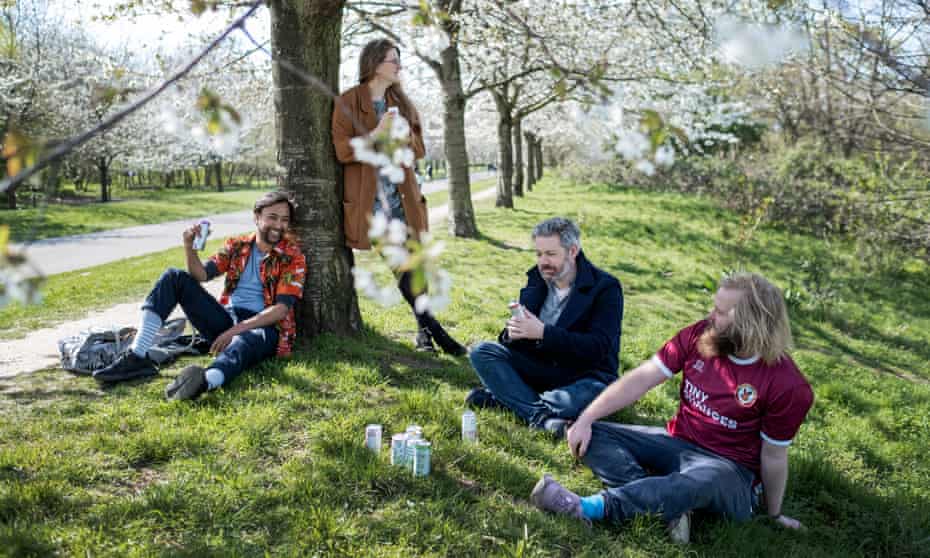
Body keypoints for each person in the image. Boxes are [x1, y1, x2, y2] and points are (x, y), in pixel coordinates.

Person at [530, 272, 814, 543]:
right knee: (593, 432)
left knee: (699, 481)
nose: (710, 316)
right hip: (677, 442)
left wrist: (773, 513)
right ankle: (667, 505)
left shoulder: (788, 386)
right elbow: (641, 378)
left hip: (730, 470)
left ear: (751, 323)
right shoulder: (698, 335)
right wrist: (587, 417)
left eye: (721, 312)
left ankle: (588, 508)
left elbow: (774, 456)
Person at [93, 191, 307, 401]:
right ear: (257, 217)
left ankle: (205, 381)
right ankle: (136, 356)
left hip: (265, 328)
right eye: (272, 217)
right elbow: (201, 275)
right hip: (228, 319)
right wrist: (189, 247)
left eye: (284, 220)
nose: (279, 225)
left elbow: (281, 309)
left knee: (243, 341)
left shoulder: (293, 257)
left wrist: (234, 331)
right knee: (174, 277)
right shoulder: (237, 246)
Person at [332, 38, 465, 356]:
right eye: (394, 60)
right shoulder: (348, 102)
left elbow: (420, 149)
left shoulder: (402, 102)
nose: (399, 66)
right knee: (400, 266)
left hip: (403, 200)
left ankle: (424, 333)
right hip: (371, 205)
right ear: (375, 64)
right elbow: (341, 151)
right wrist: (376, 135)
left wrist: (402, 136)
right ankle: (435, 331)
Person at [466, 217, 623, 434]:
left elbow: (598, 347)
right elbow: (516, 338)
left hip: (584, 374)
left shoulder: (606, 288)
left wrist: (543, 333)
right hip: (540, 367)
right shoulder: (537, 279)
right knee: (481, 352)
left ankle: (510, 400)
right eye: (539, 254)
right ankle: (540, 415)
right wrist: (512, 333)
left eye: (551, 254)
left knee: (571, 402)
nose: (543, 261)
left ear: (573, 251)